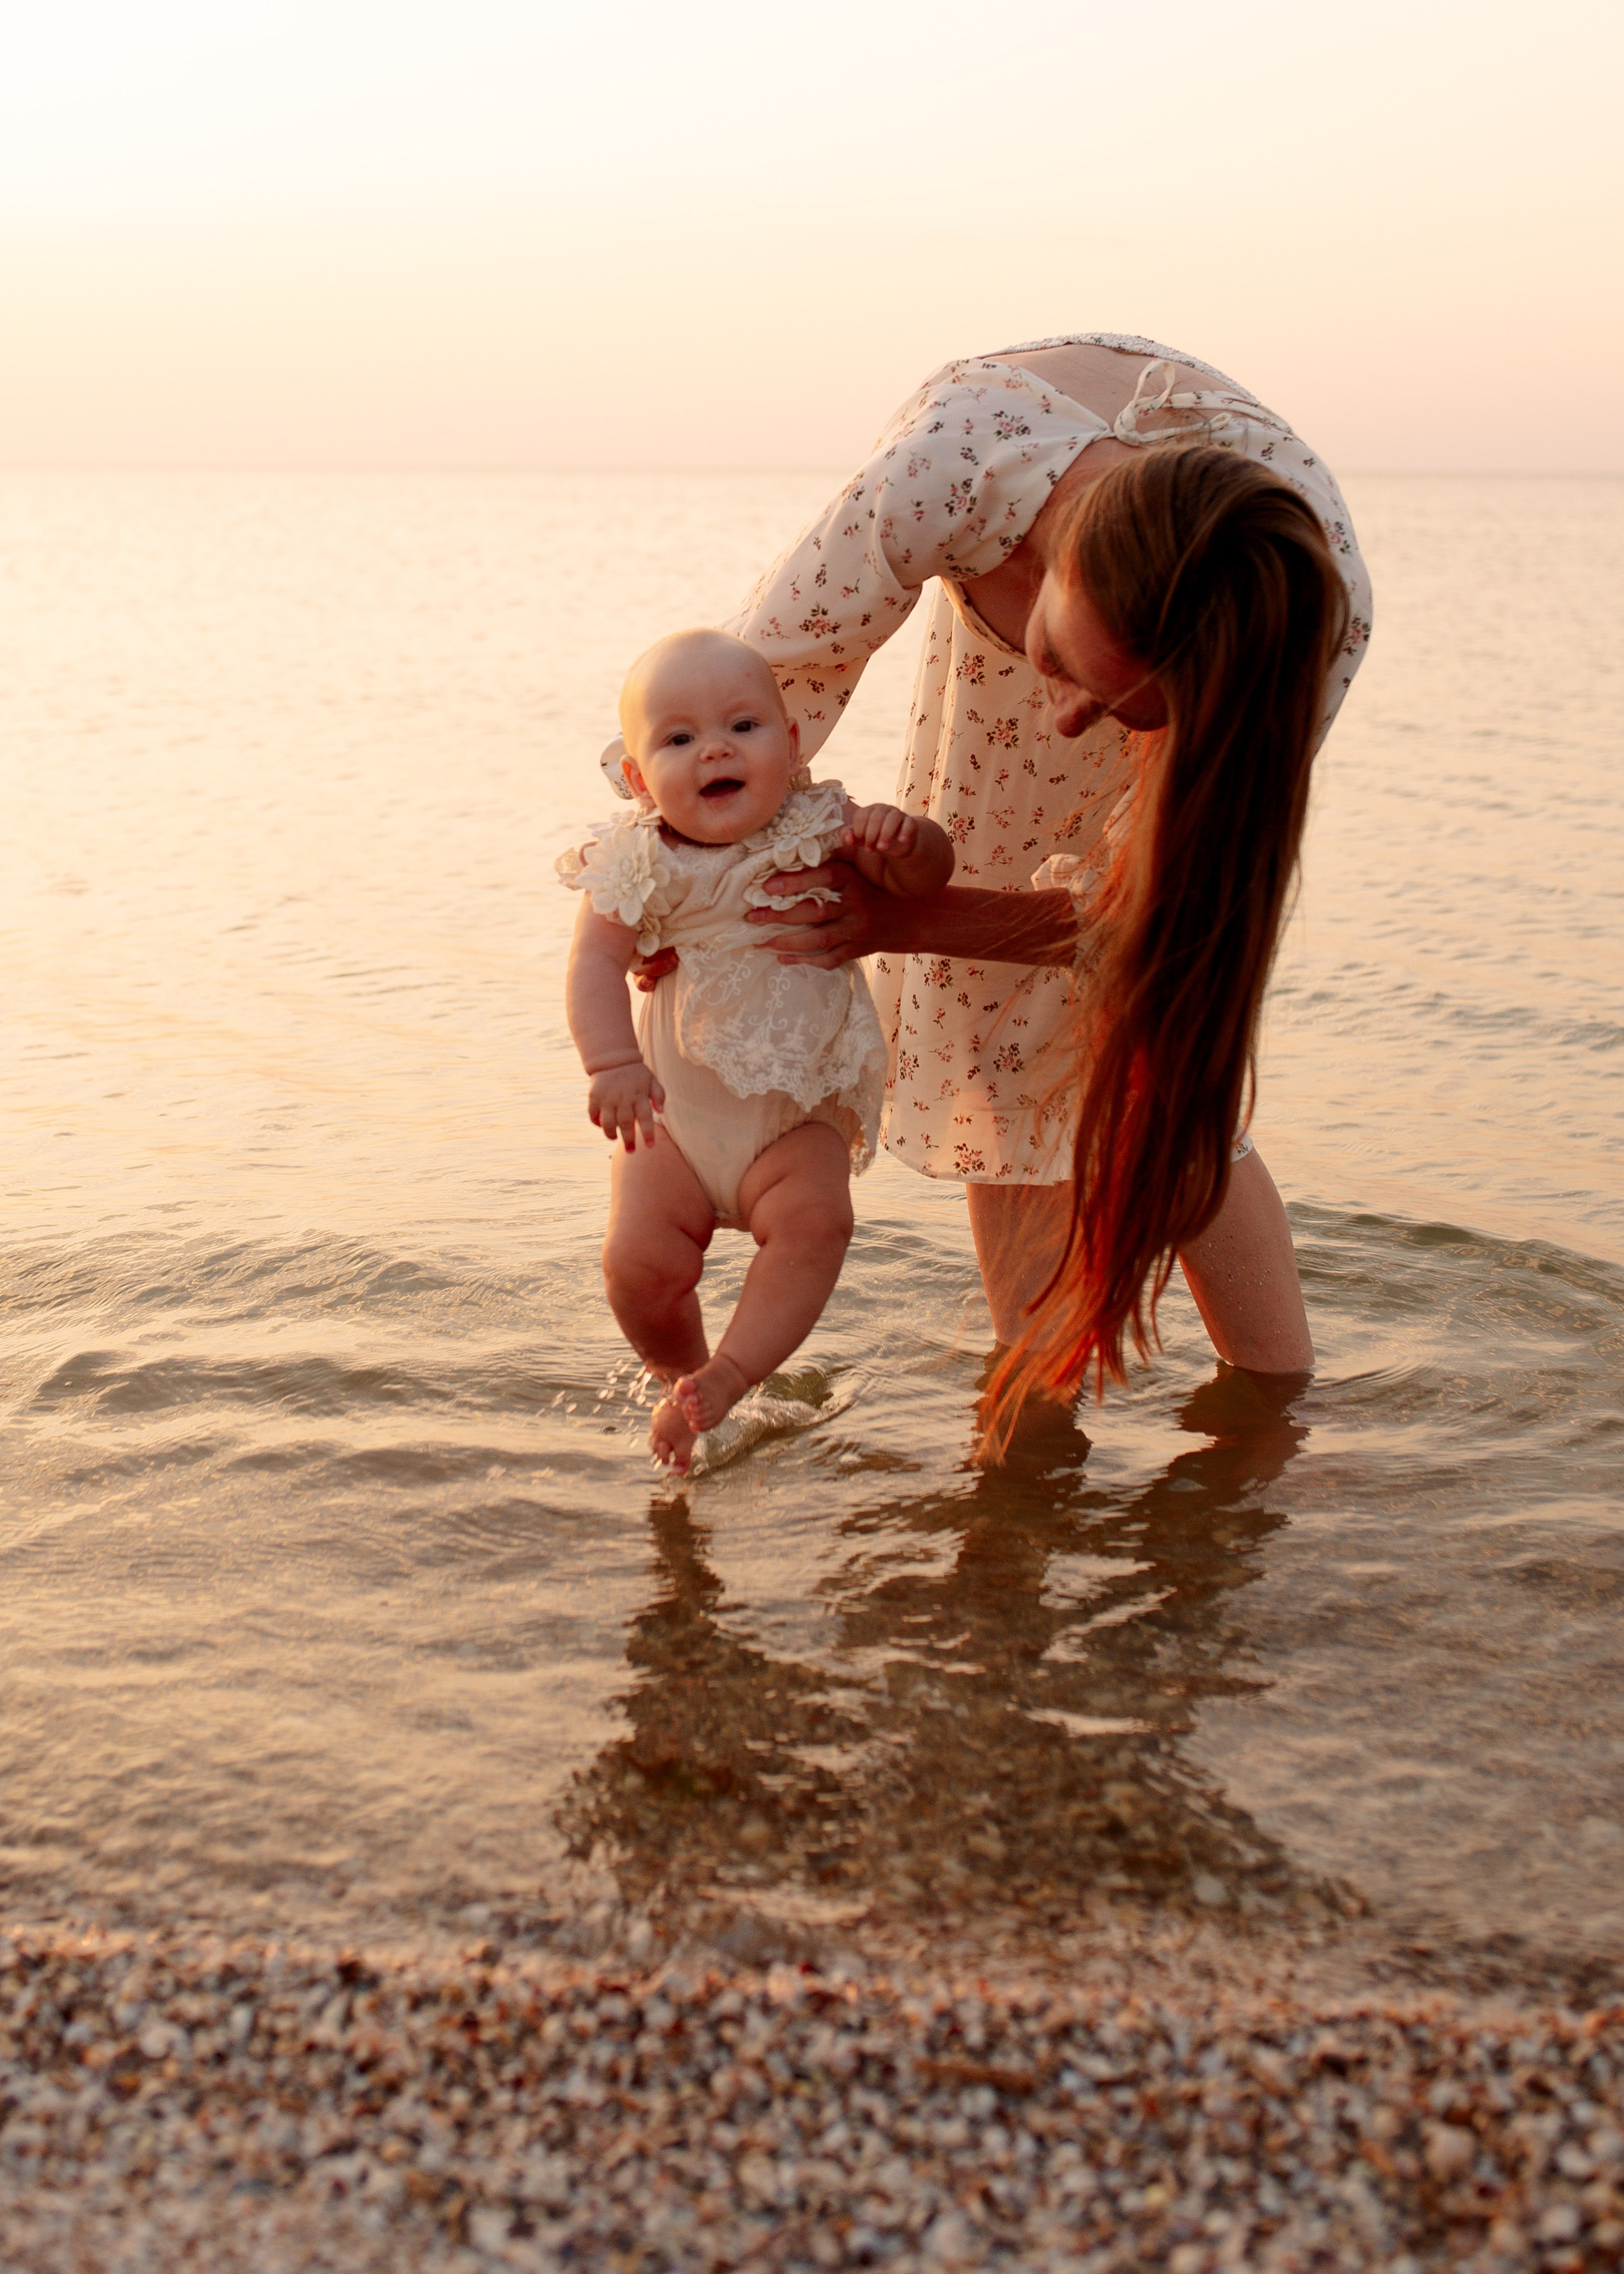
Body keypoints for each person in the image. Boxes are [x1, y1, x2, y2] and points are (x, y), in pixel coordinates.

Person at [625, 336, 1372, 1448]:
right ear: (1055, 567)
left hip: (1208, 663)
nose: (1069, 720)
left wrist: (909, 915)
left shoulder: (1303, 632)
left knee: (1170, 1032)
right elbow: (752, 691)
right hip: (1019, 550)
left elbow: (1163, 921)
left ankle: (1272, 1420)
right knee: (991, 1026)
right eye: (1068, 671)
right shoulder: (947, 471)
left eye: (1124, 709)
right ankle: (1034, 1427)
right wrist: (677, 893)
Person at [560, 629, 953, 1471]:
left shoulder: (823, 824)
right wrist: (611, 1064)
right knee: (637, 1266)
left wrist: (910, 844)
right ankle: (683, 1378)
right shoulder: (637, 861)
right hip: (673, 1120)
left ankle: (737, 1371)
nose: (714, 750)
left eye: (743, 727)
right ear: (638, 780)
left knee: (818, 1223)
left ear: (793, 744)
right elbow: (593, 966)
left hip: (796, 1119)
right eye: (678, 739)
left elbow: (926, 883)